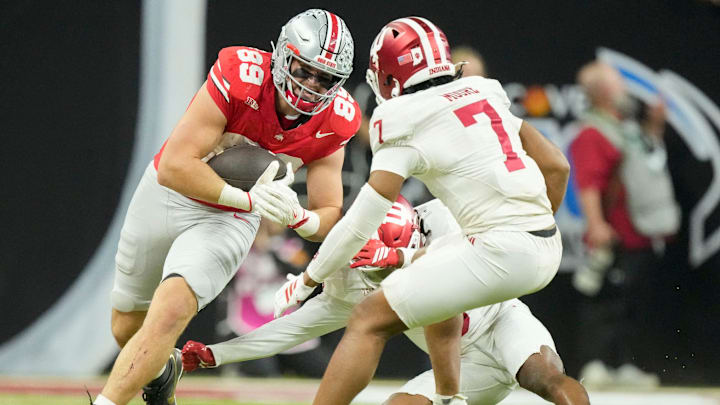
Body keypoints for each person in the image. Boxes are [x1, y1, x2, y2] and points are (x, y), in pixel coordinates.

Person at [271, 16, 571, 405]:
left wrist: (308, 280)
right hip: (546, 242)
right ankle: (450, 398)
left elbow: (362, 223)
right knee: (437, 293)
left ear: (392, 77)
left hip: (499, 250)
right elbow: (557, 167)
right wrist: (535, 226)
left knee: (368, 320)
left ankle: (448, 397)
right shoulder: (483, 92)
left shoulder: (400, 117)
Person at [92, 9, 359, 405]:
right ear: (281, 55)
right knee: (126, 326)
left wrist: (300, 217)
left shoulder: (337, 120)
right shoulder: (240, 74)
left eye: (324, 78)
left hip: (229, 219)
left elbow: (329, 214)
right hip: (174, 194)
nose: (309, 85)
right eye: (303, 69)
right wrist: (249, 198)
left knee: (171, 310)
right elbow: (175, 167)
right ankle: (162, 370)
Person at [182, 198, 589, 405]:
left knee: (545, 379)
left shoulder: (443, 217)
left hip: (502, 323)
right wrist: (218, 355)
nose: (384, 273)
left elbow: (464, 253)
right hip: (458, 368)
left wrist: (401, 258)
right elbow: (293, 328)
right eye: (378, 263)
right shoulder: (354, 277)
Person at [569, 61, 675, 387]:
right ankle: (595, 364)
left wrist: (655, 128)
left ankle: (625, 363)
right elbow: (588, 184)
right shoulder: (592, 132)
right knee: (604, 301)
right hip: (612, 234)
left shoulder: (624, 127)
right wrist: (596, 225)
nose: (625, 92)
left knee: (631, 302)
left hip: (639, 232)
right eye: (618, 85)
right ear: (602, 93)